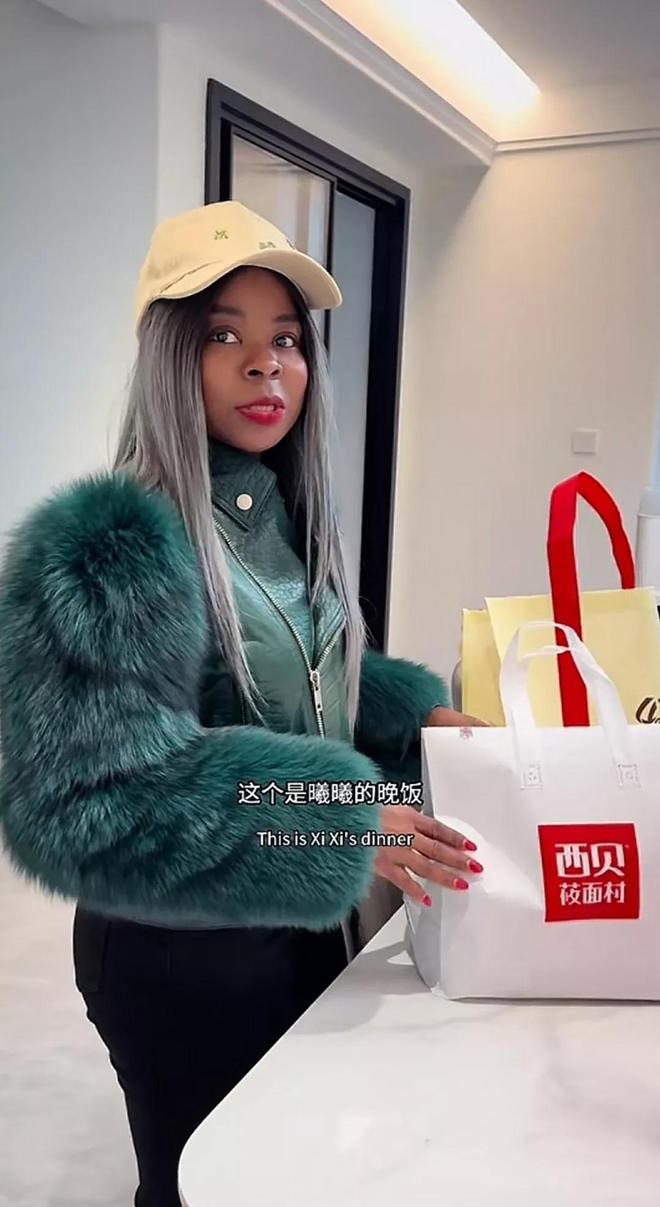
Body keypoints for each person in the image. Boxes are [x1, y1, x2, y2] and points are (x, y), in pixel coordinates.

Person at [0, 201, 485, 1207]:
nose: (267, 366)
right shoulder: (110, 543)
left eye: (287, 340)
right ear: (169, 355)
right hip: (174, 948)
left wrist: (415, 717)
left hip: (288, 924)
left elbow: (278, 681)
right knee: (206, 1182)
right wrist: (335, 821)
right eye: (225, 336)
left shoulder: (271, 514)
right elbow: (88, 803)